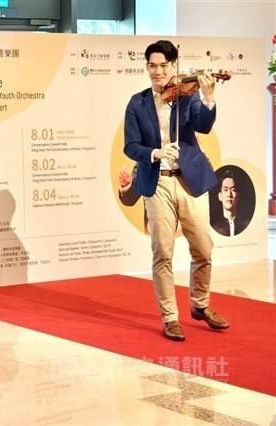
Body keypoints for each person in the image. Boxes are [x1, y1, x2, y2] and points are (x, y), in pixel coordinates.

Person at [123, 39, 229, 341]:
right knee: (163, 252)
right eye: (152, 66)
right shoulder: (137, 102)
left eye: (164, 66)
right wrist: (155, 153)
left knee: (204, 249)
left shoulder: (189, 94)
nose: (158, 72)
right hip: (156, 182)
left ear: (174, 66)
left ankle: (201, 304)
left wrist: (208, 97)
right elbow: (130, 146)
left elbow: (204, 126)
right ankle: (170, 317)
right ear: (147, 67)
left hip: (189, 179)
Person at [211, 170, 249, 236]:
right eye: (225, 190)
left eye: (233, 190)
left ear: (238, 195)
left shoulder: (246, 225)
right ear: (220, 196)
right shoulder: (215, 228)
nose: (229, 194)